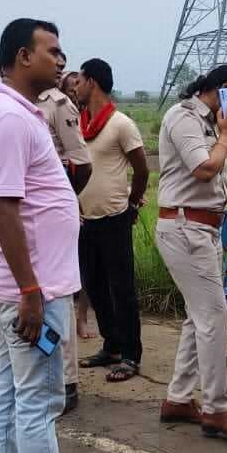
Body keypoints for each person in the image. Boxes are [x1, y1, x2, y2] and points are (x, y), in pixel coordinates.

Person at [0, 17, 123, 453]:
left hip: (23, 283)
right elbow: (6, 210)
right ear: (21, 57)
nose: (62, 61)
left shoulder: (16, 113)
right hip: (31, 290)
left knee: (10, 395)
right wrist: (32, 290)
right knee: (38, 403)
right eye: (52, 52)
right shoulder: (10, 119)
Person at [155, 65, 227, 443]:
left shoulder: (213, 125)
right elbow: (204, 169)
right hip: (185, 228)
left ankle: (179, 398)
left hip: (204, 228)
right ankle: (218, 408)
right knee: (215, 316)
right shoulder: (183, 117)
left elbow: (217, 184)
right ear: (222, 91)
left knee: (197, 317)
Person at [73, 58, 148, 385]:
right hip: (85, 219)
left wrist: (132, 204)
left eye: (79, 80)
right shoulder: (78, 125)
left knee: (122, 290)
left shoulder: (121, 124)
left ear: (93, 82)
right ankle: (112, 346)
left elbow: (142, 170)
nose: (75, 86)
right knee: (96, 287)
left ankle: (131, 354)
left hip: (115, 218)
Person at [38, 67, 92, 413]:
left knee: (58, 296)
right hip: (32, 210)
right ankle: (45, 375)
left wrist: (63, 199)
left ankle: (66, 381)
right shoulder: (26, 105)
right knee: (37, 297)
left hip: (54, 207)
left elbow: (81, 163)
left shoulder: (59, 105)